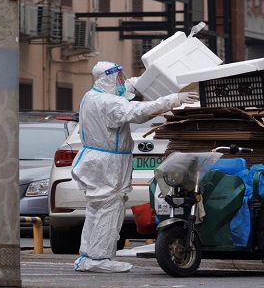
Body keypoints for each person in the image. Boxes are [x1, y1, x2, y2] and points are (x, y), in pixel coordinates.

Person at [71, 61, 196, 273]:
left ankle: (89, 255)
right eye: (119, 77)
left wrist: (151, 76)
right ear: (108, 78)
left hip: (98, 160)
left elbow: (129, 86)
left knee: (98, 208)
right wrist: (174, 99)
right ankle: (99, 258)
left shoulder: (92, 95)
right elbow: (139, 111)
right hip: (108, 164)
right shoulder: (108, 102)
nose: (123, 81)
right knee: (109, 209)